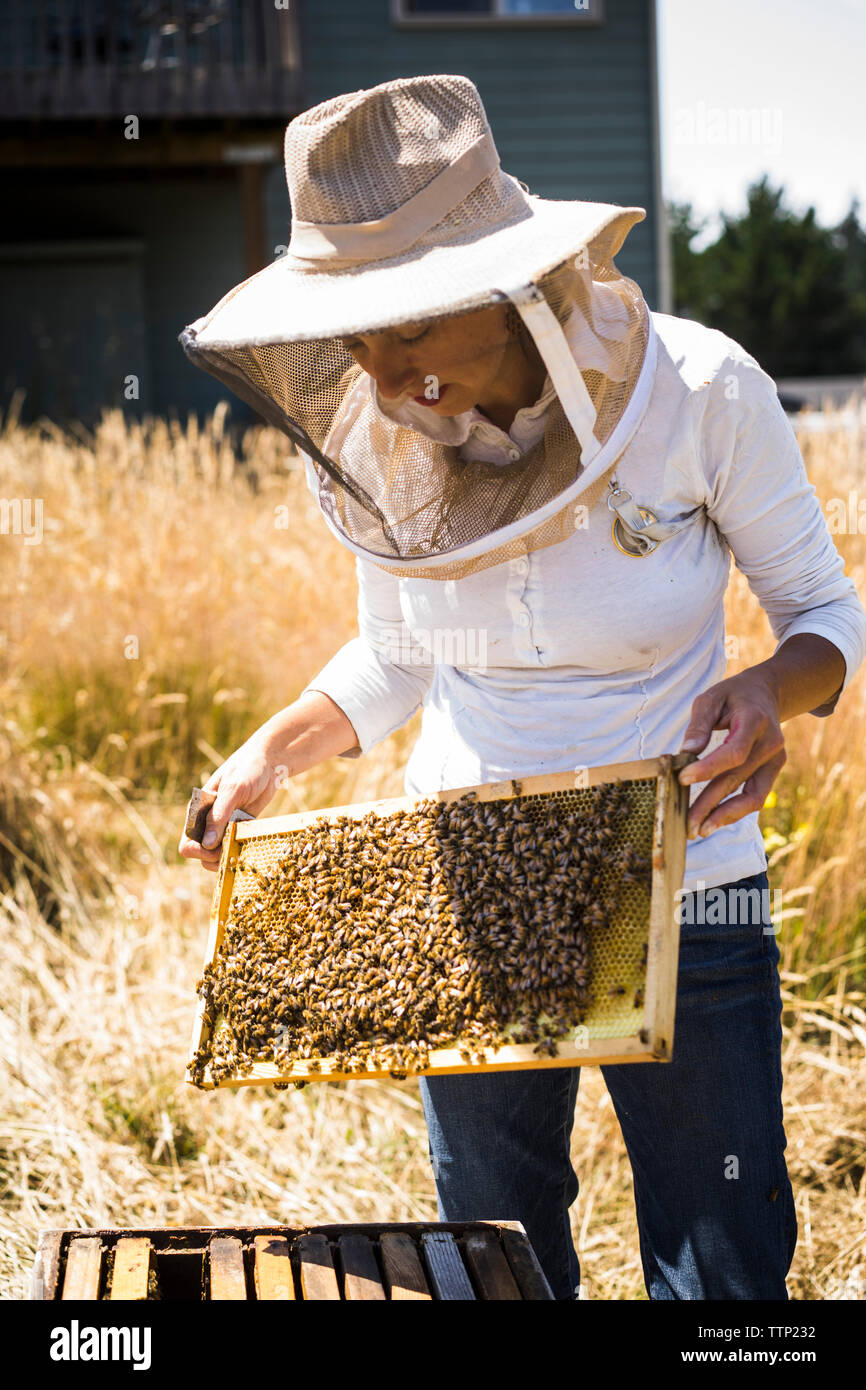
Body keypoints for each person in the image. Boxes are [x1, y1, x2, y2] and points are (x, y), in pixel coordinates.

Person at [177, 74, 866, 1299]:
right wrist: (270, 751)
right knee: (492, 1262)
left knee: (722, 1263)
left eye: (412, 326)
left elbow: (826, 615)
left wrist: (771, 690)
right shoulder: (382, 452)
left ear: (508, 286)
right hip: (467, 886)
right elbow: (396, 656)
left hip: (687, 887)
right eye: (358, 338)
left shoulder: (698, 392)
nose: (383, 376)